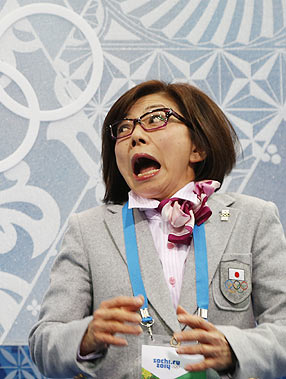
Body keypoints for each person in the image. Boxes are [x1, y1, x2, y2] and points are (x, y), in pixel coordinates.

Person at [29, 80, 286, 378]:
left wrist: (234, 348)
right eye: (123, 129)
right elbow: (43, 341)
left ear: (198, 147)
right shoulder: (88, 230)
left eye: (155, 120)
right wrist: (86, 338)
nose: (135, 135)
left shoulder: (253, 219)